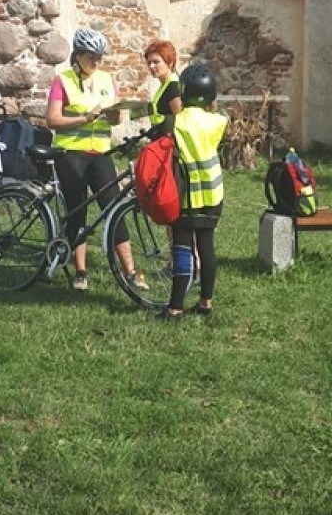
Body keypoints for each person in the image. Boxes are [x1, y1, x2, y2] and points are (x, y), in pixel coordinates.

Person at [46, 28, 147, 293]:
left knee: (114, 207)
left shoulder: (106, 79)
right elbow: (52, 119)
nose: (96, 62)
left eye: (99, 57)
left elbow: (116, 117)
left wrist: (116, 116)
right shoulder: (63, 80)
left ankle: (131, 271)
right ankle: (80, 271)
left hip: (100, 152)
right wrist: (84, 119)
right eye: (91, 56)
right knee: (77, 210)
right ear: (77, 55)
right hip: (71, 154)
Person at [163, 62, 228, 323]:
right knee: (207, 247)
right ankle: (205, 303)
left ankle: (175, 308)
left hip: (186, 196)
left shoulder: (175, 122)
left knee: (182, 249)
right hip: (213, 195)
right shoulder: (219, 122)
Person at [144, 39, 182, 137]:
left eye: (156, 62)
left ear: (170, 63)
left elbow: (181, 121)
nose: (151, 66)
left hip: (169, 146)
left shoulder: (173, 88)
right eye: (149, 63)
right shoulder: (164, 86)